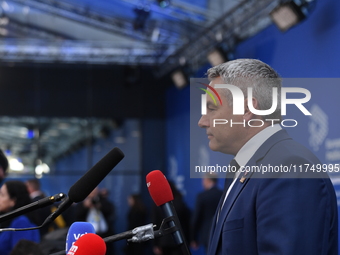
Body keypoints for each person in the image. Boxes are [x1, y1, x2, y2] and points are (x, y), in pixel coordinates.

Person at [197, 59, 338, 255]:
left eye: (211, 109)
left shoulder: (289, 167)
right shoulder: (243, 170)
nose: (202, 121)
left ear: (247, 110)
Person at [0, 180, 40, 255]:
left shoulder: (21, 222)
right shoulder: (9, 221)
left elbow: (22, 252)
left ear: (13, 201)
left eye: (2, 195)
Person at [152, 181, 191, 255]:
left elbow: (155, 224)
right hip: (179, 240)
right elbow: (187, 223)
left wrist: (155, 244)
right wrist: (188, 240)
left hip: (164, 241)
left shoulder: (157, 205)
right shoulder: (180, 203)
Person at [75, 187, 115, 255]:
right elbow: (76, 215)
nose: (93, 194)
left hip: (104, 234)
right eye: (91, 192)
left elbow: (110, 211)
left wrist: (100, 205)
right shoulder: (83, 203)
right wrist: (85, 206)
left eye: (94, 192)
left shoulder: (103, 201)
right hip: (87, 236)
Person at [190, 174, 222, 253]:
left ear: (207, 180)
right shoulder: (223, 194)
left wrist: (193, 238)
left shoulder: (202, 196)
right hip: (221, 233)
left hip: (207, 234)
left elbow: (196, 218)